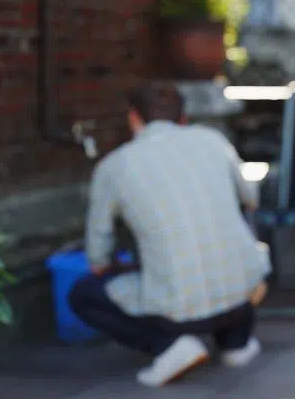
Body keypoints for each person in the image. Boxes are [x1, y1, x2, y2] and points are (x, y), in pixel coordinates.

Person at [68, 83, 271, 387]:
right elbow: (250, 198)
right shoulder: (213, 140)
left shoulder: (113, 167)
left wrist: (107, 265)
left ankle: (168, 346)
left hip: (177, 311)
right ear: (183, 118)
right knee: (229, 250)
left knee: (84, 293)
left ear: (133, 118)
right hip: (245, 291)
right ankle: (236, 344)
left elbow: (98, 254)